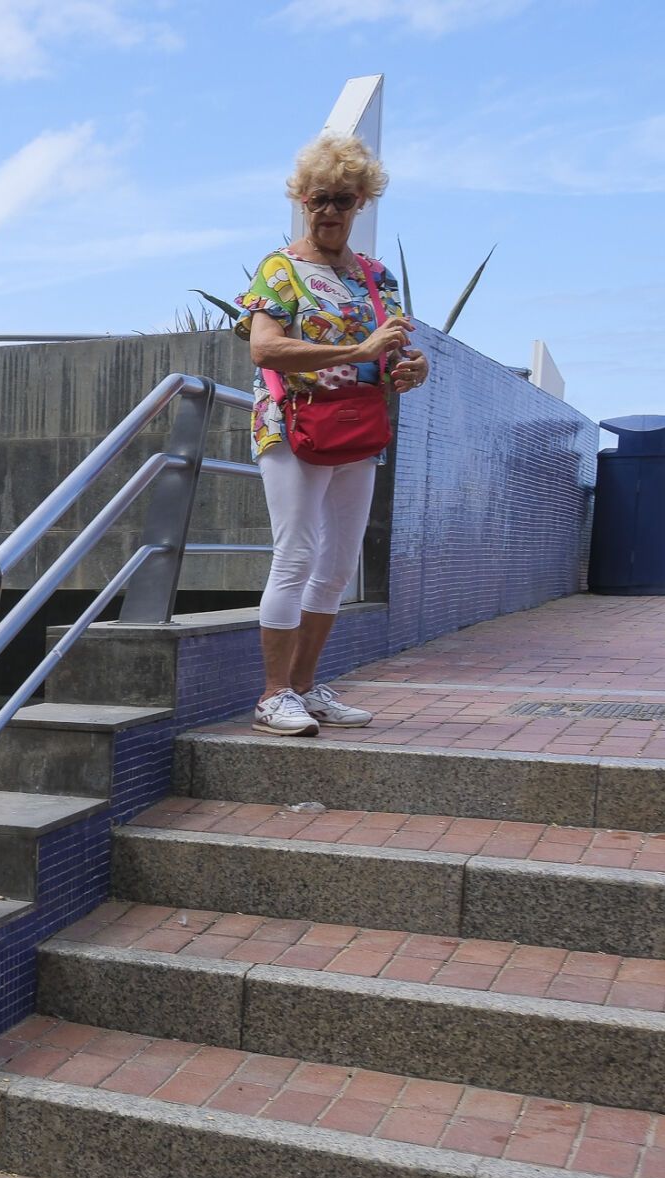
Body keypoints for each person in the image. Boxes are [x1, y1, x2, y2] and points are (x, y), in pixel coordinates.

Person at [234, 132, 429, 737]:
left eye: (343, 200)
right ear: (302, 200)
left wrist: (409, 367)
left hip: (358, 425)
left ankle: (304, 687)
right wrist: (360, 347)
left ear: (361, 202)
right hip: (294, 423)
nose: (329, 212)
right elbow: (263, 346)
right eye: (318, 199)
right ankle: (272, 696)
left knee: (339, 563)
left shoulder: (375, 276)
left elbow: (391, 351)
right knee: (295, 554)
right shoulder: (281, 269)